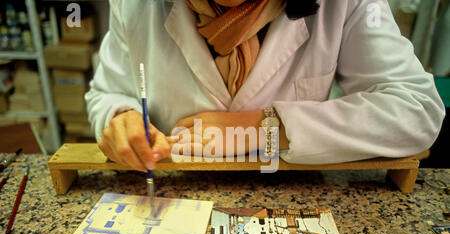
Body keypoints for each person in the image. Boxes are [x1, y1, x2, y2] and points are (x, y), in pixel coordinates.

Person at [86, 0, 445, 172]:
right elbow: (106, 93)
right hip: (174, 193)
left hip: (292, 199)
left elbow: (416, 108)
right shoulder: (135, 5)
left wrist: (266, 127)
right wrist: (122, 117)